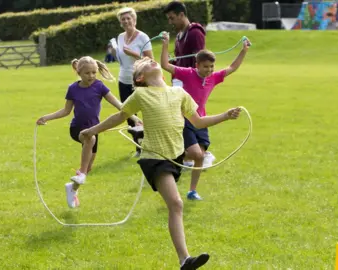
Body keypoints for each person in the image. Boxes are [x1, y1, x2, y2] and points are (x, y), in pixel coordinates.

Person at [79, 57, 242, 269]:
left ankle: (185, 260)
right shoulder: (141, 94)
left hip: (175, 156)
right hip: (154, 157)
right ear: (141, 77)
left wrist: (225, 116)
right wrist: (92, 131)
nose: (151, 61)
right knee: (176, 203)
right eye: (145, 63)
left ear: (163, 75)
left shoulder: (179, 93)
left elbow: (199, 121)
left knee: (176, 205)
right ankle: (185, 259)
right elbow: (119, 117)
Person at [36, 56, 141, 208]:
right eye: (87, 73)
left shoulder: (99, 86)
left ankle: (72, 188)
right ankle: (82, 174)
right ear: (79, 73)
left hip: (94, 129)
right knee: (89, 139)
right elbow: (66, 111)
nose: (91, 76)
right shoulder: (73, 88)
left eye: (93, 72)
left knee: (89, 164)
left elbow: (118, 104)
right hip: (77, 129)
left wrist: (134, 118)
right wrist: (47, 117)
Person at [160, 32, 249, 201]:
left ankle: (192, 191)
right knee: (197, 155)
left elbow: (232, 68)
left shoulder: (213, 78)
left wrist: (244, 50)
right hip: (185, 119)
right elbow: (165, 64)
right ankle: (175, 162)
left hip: (202, 120)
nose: (209, 70)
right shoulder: (187, 73)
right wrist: (165, 44)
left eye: (211, 67)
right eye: (205, 66)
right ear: (197, 65)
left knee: (199, 156)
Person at [163, 1, 214, 168]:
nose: (171, 22)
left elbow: (200, 61)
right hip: (180, 84)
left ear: (181, 15)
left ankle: (202, 153)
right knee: (181, 119)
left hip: (191, 85)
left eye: (172, 18)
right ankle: (191, 156)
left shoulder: (195, 33)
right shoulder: (179, 36)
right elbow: (183, 60)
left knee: (190, 117)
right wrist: (175, 62)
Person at [110, 7, 153, 157]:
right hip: (123, 79)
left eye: (129, 18)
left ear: (134, 20)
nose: (126, 21)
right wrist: (116, 53)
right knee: (128, 113)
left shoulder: (143, 37)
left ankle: (150, 145)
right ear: (120, 22)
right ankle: (138, 147)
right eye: (123, 19)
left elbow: (150, 61)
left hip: (140, 80)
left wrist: (134, 54)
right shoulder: (120, 37)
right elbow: (121, 58)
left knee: (146, 111)